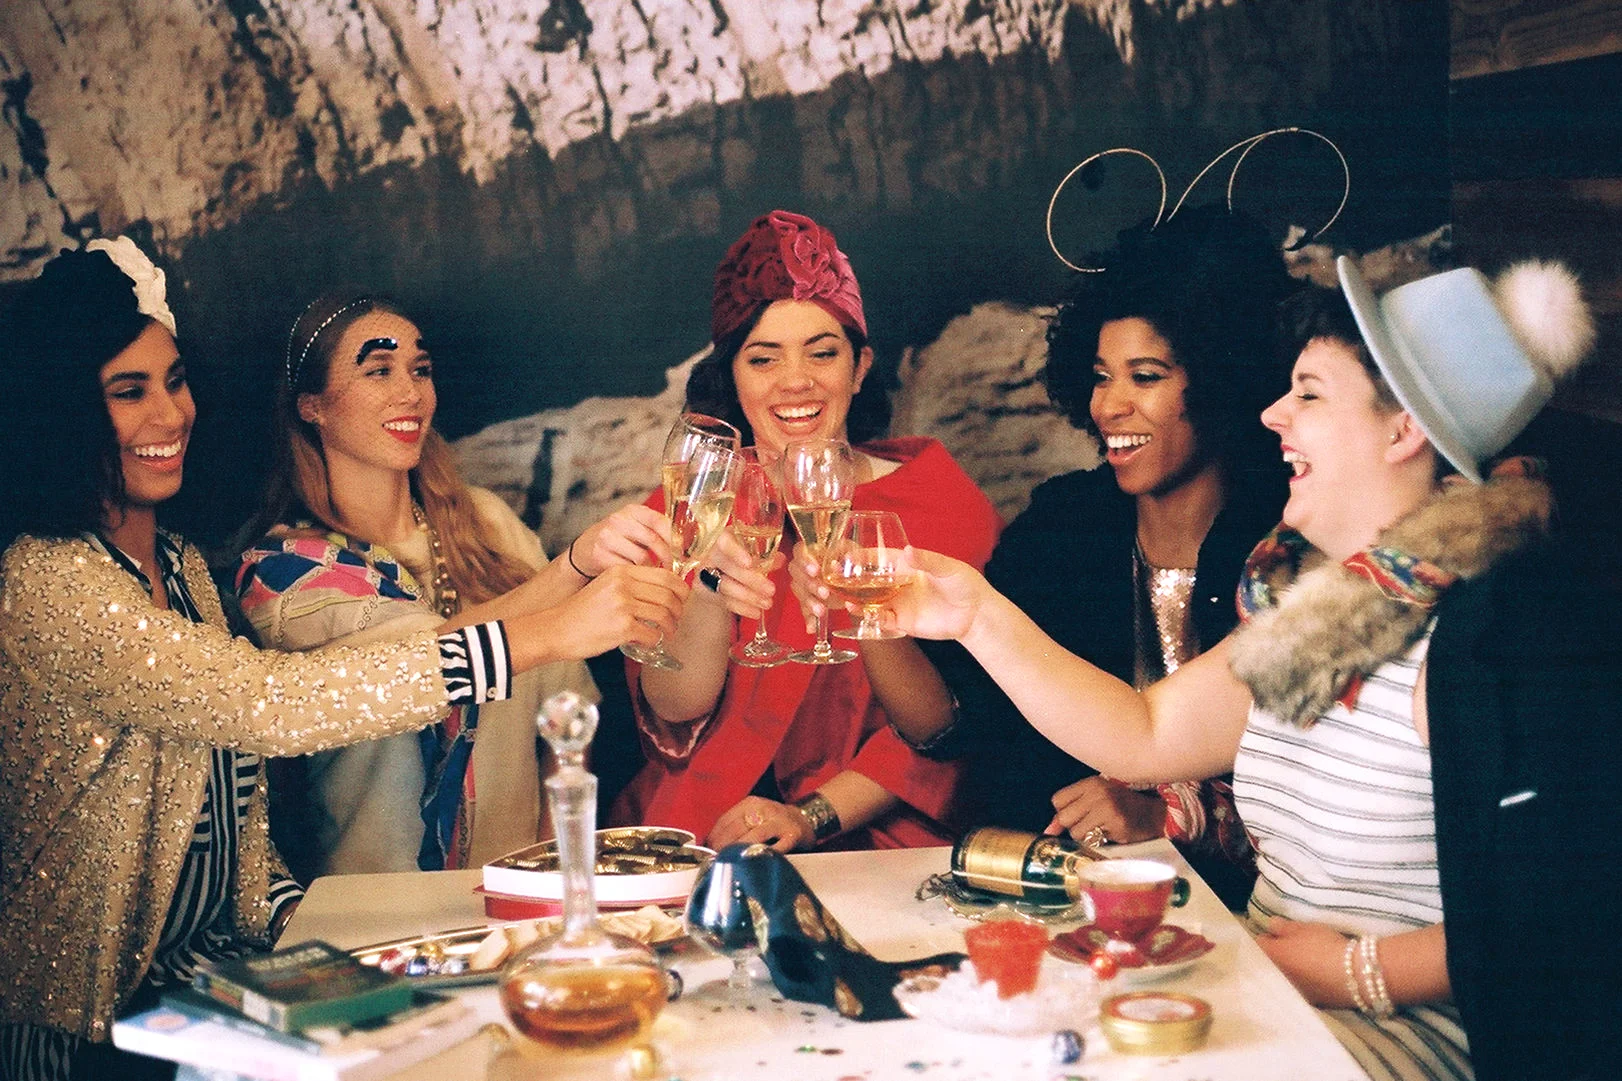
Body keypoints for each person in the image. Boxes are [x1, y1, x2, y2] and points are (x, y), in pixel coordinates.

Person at [876, 255, 1616, 1081]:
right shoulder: (1314, 609)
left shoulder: (1496, 632)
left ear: (1402, 429)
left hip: (1401, 1038)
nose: (1272, 414)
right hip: (1262, 992)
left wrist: (1355, 971)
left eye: (1309, 394)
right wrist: (974, 614)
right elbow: (1144, 732)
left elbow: (1565, 911)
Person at [0, 241, 686, 1079]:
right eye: (128, 391)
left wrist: (331, 948)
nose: (170, 414)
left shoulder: (179, 569)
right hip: (86, 1025)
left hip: (216, 985)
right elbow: (276, 705)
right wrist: (554, 621)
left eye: (175, 381)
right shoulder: (51, 580)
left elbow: (238, 840)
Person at [901, 205, 1290, 906]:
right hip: (1074, 901)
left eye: (1145, 376)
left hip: (1256, 911)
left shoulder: (1281, 547)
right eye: (1101, 375)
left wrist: (1164, 814)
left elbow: (1302, 775)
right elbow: (953, 724)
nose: (1109, 405)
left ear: (1221, 380)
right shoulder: (1064, 528)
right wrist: (873, 614)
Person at [234, 290, 665, 878]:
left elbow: (566, 709)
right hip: (373, 906)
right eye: (379, 371)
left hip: (512, 893)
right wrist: (572, 572)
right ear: (313, 406)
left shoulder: (487, 522)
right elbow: (424, 663)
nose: (410, 392)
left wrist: (552, 871)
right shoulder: (285, 571)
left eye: (420, 370)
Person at [608, 209, 1002, 852]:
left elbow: (950, 729)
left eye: (822, 353)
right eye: (763, 359)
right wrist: (708, 591)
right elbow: (674, 711)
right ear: (732, 375)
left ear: (860, 366)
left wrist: (810, 816)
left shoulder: (940, 502)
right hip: (701, 826)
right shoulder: (687, 503)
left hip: (874, 832)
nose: (796, 381)